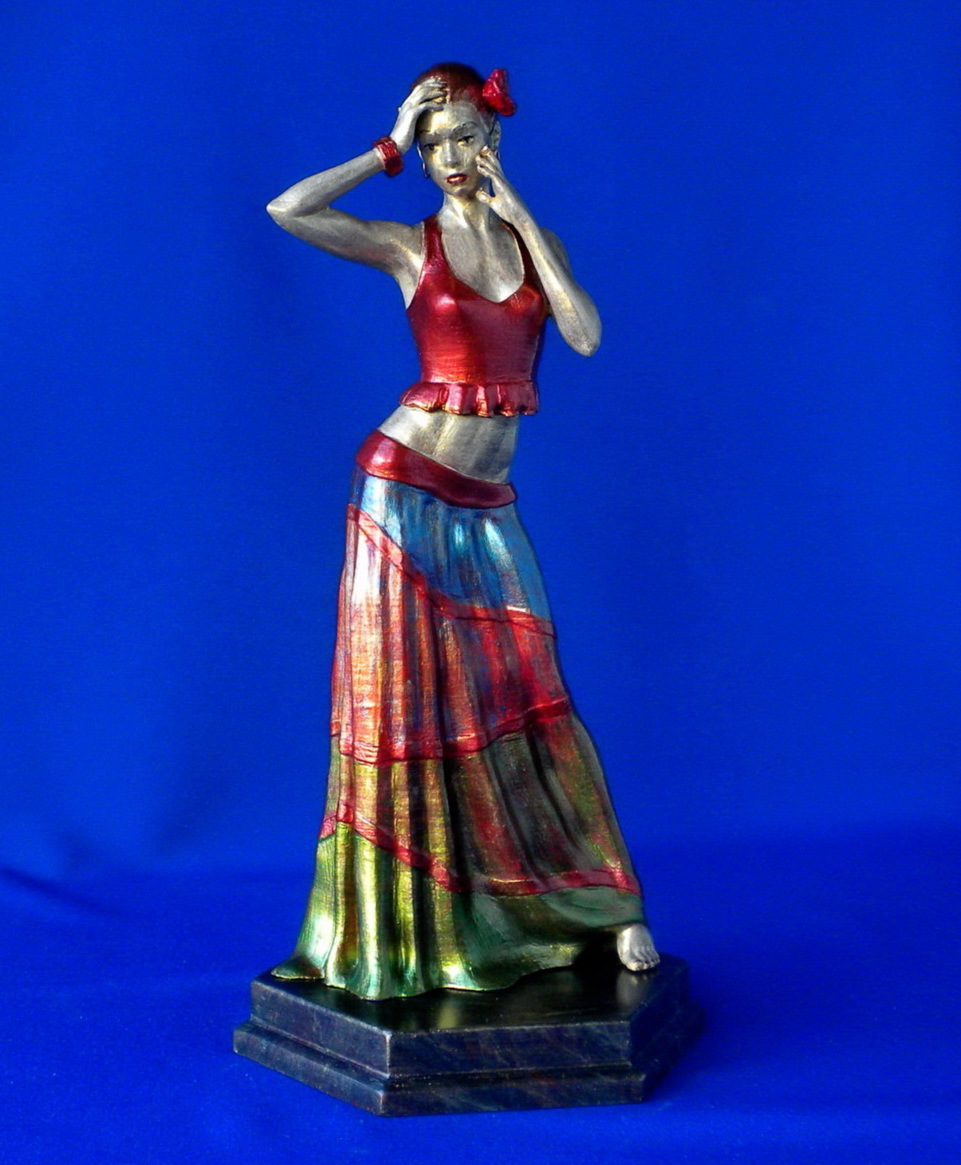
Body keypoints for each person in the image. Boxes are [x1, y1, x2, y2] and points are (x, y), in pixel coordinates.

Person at [267, 63, 659, 1000]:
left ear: (492, 140)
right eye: (435, 142)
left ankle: (598, 901)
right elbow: (289, 210)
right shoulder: (411, 247)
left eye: (465, 137)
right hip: (399, 489)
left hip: (483, 501)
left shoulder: (533, 242)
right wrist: (386, 143)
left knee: (525, 696)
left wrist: (518, 212)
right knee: (407, 708)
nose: (450, 156)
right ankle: (412, 925)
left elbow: (584, 334)